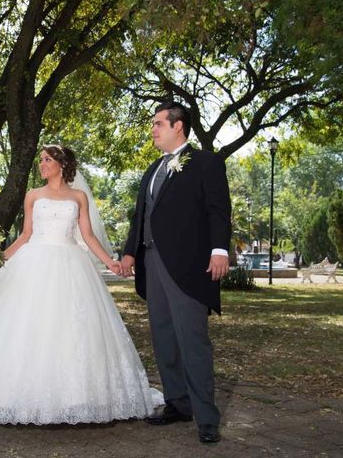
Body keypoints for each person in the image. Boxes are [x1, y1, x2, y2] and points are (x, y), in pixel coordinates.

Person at [0, 144, 162, 425]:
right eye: (41, 161)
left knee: (71, 330)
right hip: (33, 263)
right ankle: (9, 397)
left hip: (71, 265)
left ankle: (75, 397)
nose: (42, 164)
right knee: (24, 328)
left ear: (61, 164)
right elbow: (25, 236)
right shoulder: (33, 196)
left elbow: (87, 236)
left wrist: (111, 263)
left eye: (47, 160)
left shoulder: (78, 197)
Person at [121, 101, 232, 444]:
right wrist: (129, 252)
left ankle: (207, 418)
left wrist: (219, 249)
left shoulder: (205, 163)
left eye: (158, 123)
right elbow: (141, 217)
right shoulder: (152, 169)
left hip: (187, 266)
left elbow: (218, 209)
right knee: (164, 337)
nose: (152, 129)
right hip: (152, 264)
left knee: (192, 341)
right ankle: (177, 403)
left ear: (178, 126)